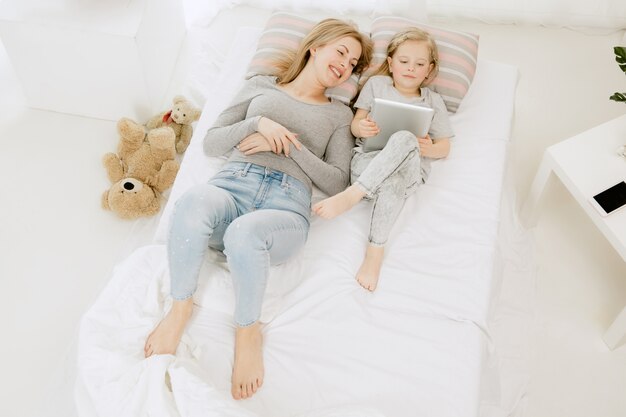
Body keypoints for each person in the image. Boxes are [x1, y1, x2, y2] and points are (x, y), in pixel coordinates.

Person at [143, 18, 372, 401]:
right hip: (233, 185)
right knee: (193, 201)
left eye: (353, 64)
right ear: (315, 46)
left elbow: (335, 181)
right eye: (342, 52)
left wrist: (283, 143)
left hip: (285, 205)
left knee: (244, 233)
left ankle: (248, 331)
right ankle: (179, 309)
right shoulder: (260, 86)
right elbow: (213, 142)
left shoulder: (339, 115)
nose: (346, 65)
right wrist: (259, 123)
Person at [312, 28, 454, 292]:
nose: (411, 68)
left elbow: (444, 147)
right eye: (403, 61)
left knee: (404, 139)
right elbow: (356, 124)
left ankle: (353, 197)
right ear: (390, 63)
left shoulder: (433, 101)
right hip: (368, 164)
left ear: (429, 69)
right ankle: (375, 251)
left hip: (408, 172)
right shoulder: (376, 86)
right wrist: (360, 128)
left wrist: (427, 147)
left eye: (420, 64)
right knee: (392, 181)